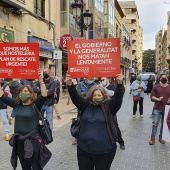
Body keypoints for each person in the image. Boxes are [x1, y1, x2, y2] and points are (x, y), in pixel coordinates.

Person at [66, 74, 125, 170]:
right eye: (94, 95)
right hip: (83, 151)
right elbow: (75, 97)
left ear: (104, 95)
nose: (96, 97)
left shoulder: (109, 106)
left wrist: (119, 84)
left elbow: (118, 98)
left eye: (99, 95)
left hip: (104, 152)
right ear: (90, 96)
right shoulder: (85, 104)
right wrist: (70, 85)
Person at [0, 68, 51, 170]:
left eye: (26, 91)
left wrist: (40, 79)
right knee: (25, 166)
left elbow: (44, 94)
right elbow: (2, 96)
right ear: (19, 95)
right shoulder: (16, 104)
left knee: (36, 166)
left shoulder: (35, 105)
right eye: (21, 91)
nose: (23, 92)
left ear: (31, 94)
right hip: (19, 142)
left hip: (33, 141)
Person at [101, 77, 125, 150]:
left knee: (115, 126)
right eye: (101, 80)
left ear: (108, 79)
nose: (102, 81)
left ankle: (121, 142)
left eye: (103, 80)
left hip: (111, 110)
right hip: (102, 108)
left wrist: (103, 88)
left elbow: (114, 94)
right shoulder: (100, 87)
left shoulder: (112, 86)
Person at [72, 78, 96, 145]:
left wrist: (85, 94)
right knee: (80, 121)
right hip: (81, 106)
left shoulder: (95, 85)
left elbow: (94, 95)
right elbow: (78, 95)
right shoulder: (80, 84)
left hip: (91, 106)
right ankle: (77, 138)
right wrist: (89, 95)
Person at [149, 74, 170, 145]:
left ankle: (161, 137)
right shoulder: (156, 87)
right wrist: (158, 99)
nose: (164, 78)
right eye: (162, 77)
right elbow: (152, 97)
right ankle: (152, 138)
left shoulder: (169, 87)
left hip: (167, 109)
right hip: (157, 108)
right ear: (160, 78)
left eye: (165, 77)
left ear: (167, 78)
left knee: (164, 125)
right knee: (155, 123)